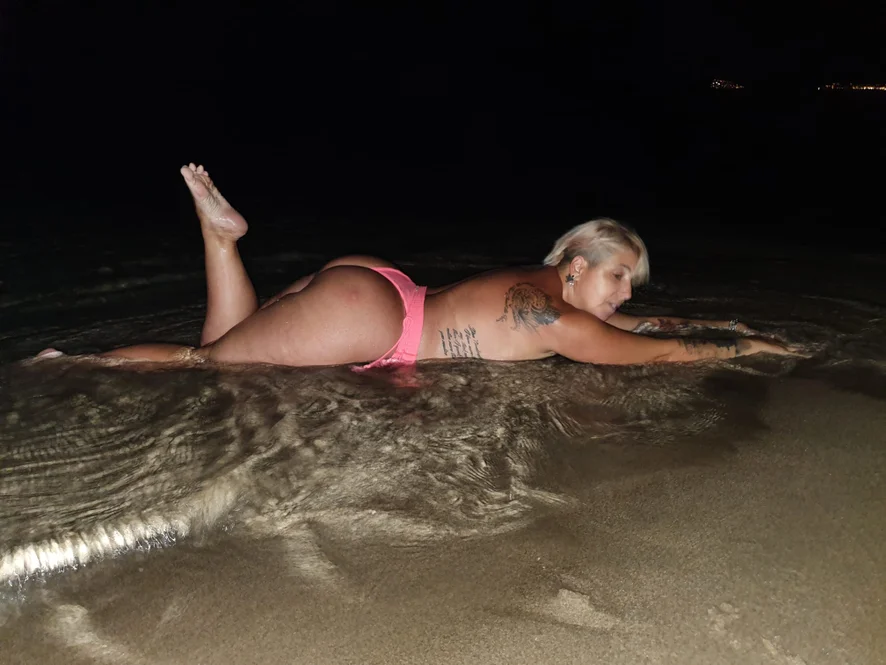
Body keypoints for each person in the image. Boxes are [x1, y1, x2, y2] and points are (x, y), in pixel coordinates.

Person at [38, 164, 798, 368]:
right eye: (618, 275)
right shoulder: (549, 316)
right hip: (373, 319)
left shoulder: (547, 295)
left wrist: (721, 320)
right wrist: (745, 346)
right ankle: (67, 364)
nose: (625, 293)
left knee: (225, 345)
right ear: (574, 265)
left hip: (382, 291)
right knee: (202, 365)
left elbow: (649, 325)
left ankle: (222, 241)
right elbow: (653, 351)